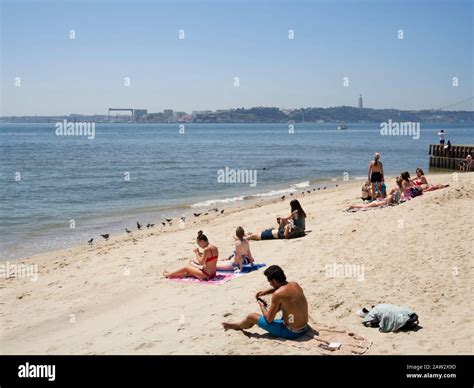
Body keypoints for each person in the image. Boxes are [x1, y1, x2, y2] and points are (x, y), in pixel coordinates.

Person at [222, 265, 309, 339]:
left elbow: (269, 320)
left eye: (269, 282)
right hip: (304, 328)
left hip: (293, 333)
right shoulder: (295, 284)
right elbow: (282, 289)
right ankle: (239, 324)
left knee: (251, 316)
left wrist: (262, 305)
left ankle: (237, 326)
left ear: (273, 281)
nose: (270, 284)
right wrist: (264, 292)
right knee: (283, 306)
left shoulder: (277, 295)